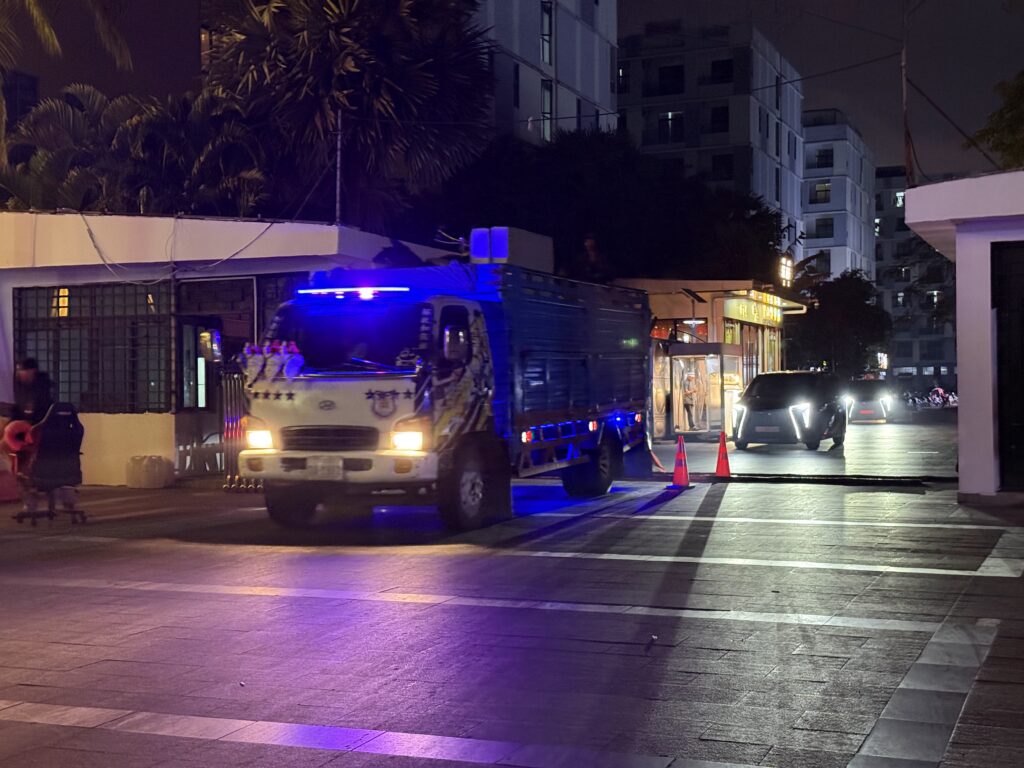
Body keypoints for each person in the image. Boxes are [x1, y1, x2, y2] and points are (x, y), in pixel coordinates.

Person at [13, 358, 54, 425]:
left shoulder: (42, 385)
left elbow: (40, 407)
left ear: (31, 371)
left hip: (41, 421)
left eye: (21, 370)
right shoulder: (21, 386)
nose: (18, 373)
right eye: (18, 370)